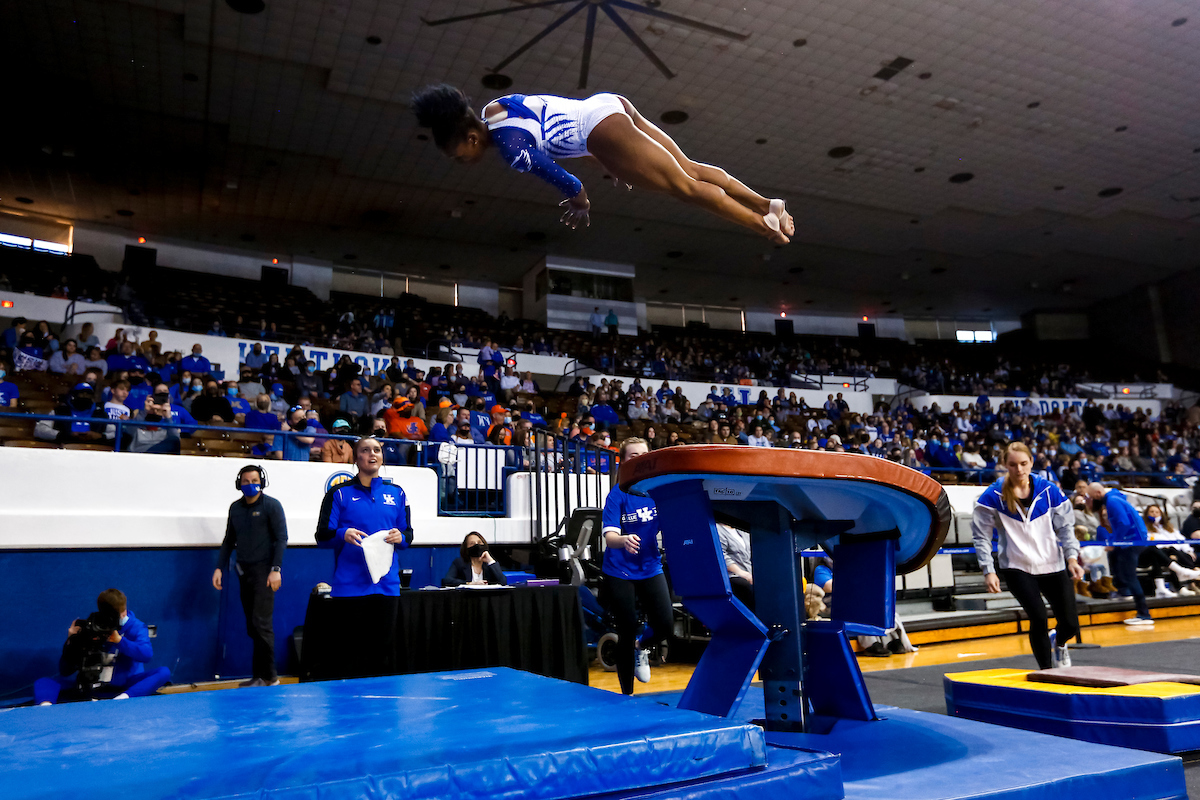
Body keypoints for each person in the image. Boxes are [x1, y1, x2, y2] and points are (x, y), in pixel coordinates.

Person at [411, 85, 794, 243]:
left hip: (601, 131)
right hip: (605, 105)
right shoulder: (496, 109)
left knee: (686, 188)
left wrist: (580, 202)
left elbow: (570, 183)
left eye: (457, 155)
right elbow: (555, 129)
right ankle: (767, 204)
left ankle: (765, 228)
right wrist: (609, 163)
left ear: (471, 138)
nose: (460, 163)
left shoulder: (514, 152)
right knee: (689, 167)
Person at [972, 443, 1084, 669]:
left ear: (1032, 462)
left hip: (1052, 563)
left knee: (1070, 624)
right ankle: (1046, 672)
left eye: (1024, 464)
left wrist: (1072, 558)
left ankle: (1059, 642)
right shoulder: (991, 496)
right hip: (1017, 566)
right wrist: (988, 570)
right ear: (1005, 465)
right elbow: (981, 537)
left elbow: (1066, 528)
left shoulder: (1049, 490)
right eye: (1012, 465)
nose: (1019, 469)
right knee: (1038, 618)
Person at [601, 437, 672, 694]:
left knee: (665, 624)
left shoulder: (657, 491)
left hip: (650, 566)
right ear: (623, 461)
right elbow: (609, 538)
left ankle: (641, 648)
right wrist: (623, 539)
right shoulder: (617, 494)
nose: (639, 459)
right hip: (619, 570)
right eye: (633, 455)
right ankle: (626, 694)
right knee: (627, 628)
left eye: (643, 454)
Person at [213, 465, 288, 687]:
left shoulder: (271, 506)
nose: (249, 484)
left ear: (261, 482)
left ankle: (270, 677)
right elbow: (229, 540)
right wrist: (219, 567)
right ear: (239, 484)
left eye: (254, 480)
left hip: (265, 571)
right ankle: (259, 676)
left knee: (261, 623)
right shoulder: (235, 508)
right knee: (252, 626)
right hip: (243, 571)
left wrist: (276, 569)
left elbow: (281, 538)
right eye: (245, 481)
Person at [34, 588, 170, 704]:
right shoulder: (94, 626)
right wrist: (71, 641)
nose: (123, 615)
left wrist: (119, 641)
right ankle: (45, 707)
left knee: (163, 672)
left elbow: (146, 654)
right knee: (44, 682)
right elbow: (65, 671)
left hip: (125, 685)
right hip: (94, 686)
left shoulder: (136, 627)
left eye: (123, 612)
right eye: (118, 614)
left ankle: (124, 699)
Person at [315, 436, 413, 596]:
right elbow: (322, 537)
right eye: (365, 450)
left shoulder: (397, 493)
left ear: (382, 457)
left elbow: (408, 535)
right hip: (349, 588)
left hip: (388, 588)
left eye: (376, 450)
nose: (372, 454)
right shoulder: (338, 493)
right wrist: (342, 534)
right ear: (355, 458)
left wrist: (400, 537)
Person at [1088, 482, 1155, 625]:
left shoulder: (1112, 501)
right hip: (1133, 539)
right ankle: (1122, 590)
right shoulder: (1116, 499)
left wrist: (1114, 543)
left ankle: (1144, 614)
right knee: (1115, 559)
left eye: (1093, 497)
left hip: (1132, 541)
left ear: (1098, 494)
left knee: (1130, 576)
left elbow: (1123, 523)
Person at [442, 532, 508, 587]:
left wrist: (490, 561)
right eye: (472, 543)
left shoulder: (490, 565)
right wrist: (469, 584)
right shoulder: (459, 563)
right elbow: (447, 580)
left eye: (479, 542)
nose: (476, 545)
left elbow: (503, 582)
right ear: (466, 548)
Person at [717, 522, 754, 610]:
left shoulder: (741, 529)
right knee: (748, 588)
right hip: (732, 576)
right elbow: (722, 556)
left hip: (749, 572)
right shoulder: (717, 529)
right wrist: (743, 574)